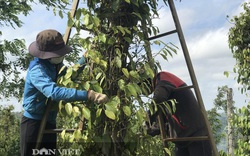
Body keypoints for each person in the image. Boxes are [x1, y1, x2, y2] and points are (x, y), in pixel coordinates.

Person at [20, 29, 108, 156]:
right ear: (47, 54)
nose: (61, 56)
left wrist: (84, 59)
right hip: (33, 122)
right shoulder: (37, 71)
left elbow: (68, 75)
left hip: (49, 120)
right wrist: (88, 94)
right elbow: (54, 92)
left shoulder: (54, 66)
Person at [146, 71, 212, 156]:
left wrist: (146, 120)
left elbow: (158, 99)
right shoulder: (164, 93)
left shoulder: (164, 78)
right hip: (182, 140)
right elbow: (161, 122)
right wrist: (149, 131)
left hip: (196, 136)